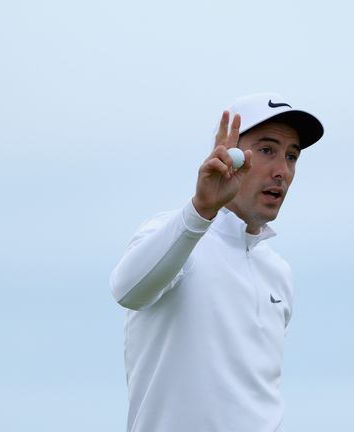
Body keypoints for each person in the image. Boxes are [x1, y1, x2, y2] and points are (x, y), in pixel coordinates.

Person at [110, 92, 324, 432]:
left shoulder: (278, 272)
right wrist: (200, 210)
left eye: (291, 156)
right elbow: (126, 290)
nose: (282, 171)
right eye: (267, 150)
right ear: (229, 154)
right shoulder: (176, 234)